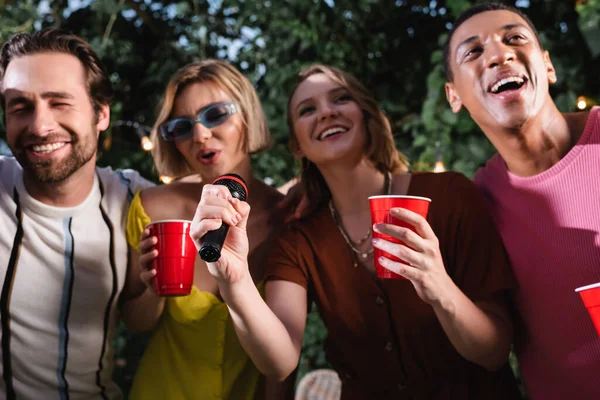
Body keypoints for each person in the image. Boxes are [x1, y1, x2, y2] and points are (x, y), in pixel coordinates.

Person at [190, 64, 522, 399]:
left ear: (366, 116)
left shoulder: (450, 195)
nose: (326, 113)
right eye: (308, 110)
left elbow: (493, 353)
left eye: (341, 99)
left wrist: (438, 286)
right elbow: (280, 361)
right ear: (298, 146)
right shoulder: (298, 238)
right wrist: (234, 281)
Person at [443, 3, 600, 399]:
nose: (499, 54)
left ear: (548, 67)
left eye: (515, 38)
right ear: (453, 95)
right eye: (473, 52)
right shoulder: (476, 205)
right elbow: (490, 348)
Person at [124, 59, 291, 400]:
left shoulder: (286, 217)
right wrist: (152, 288)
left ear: (247, 113)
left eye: (215, 115)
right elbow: (138, 323)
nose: (200, 135)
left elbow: (284, 359)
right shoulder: (153, 208)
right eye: (182, 127)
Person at [0, 29, 152, 398]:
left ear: (101, 114)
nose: (39, 126)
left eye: (60, 103)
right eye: (20, 107)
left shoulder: (137, 199)